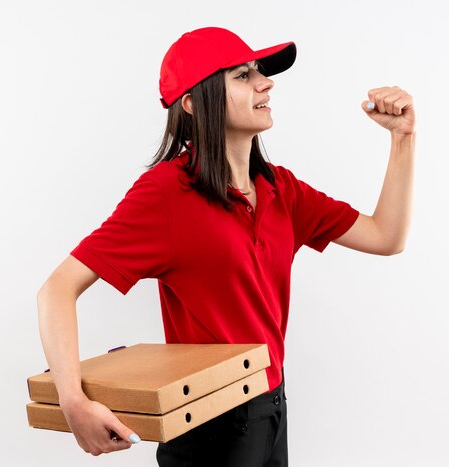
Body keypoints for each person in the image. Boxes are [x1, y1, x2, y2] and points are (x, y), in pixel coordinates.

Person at [36, 26, 415, 466]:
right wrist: (73, 402)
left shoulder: (281, 189)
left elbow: (387, 237)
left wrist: (402, 138)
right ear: (194, 103)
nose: (265, 82)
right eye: (241, 76)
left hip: (272, 407)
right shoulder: (166, 193)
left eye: (259, 72)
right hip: (210, 422)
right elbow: (57, 289)